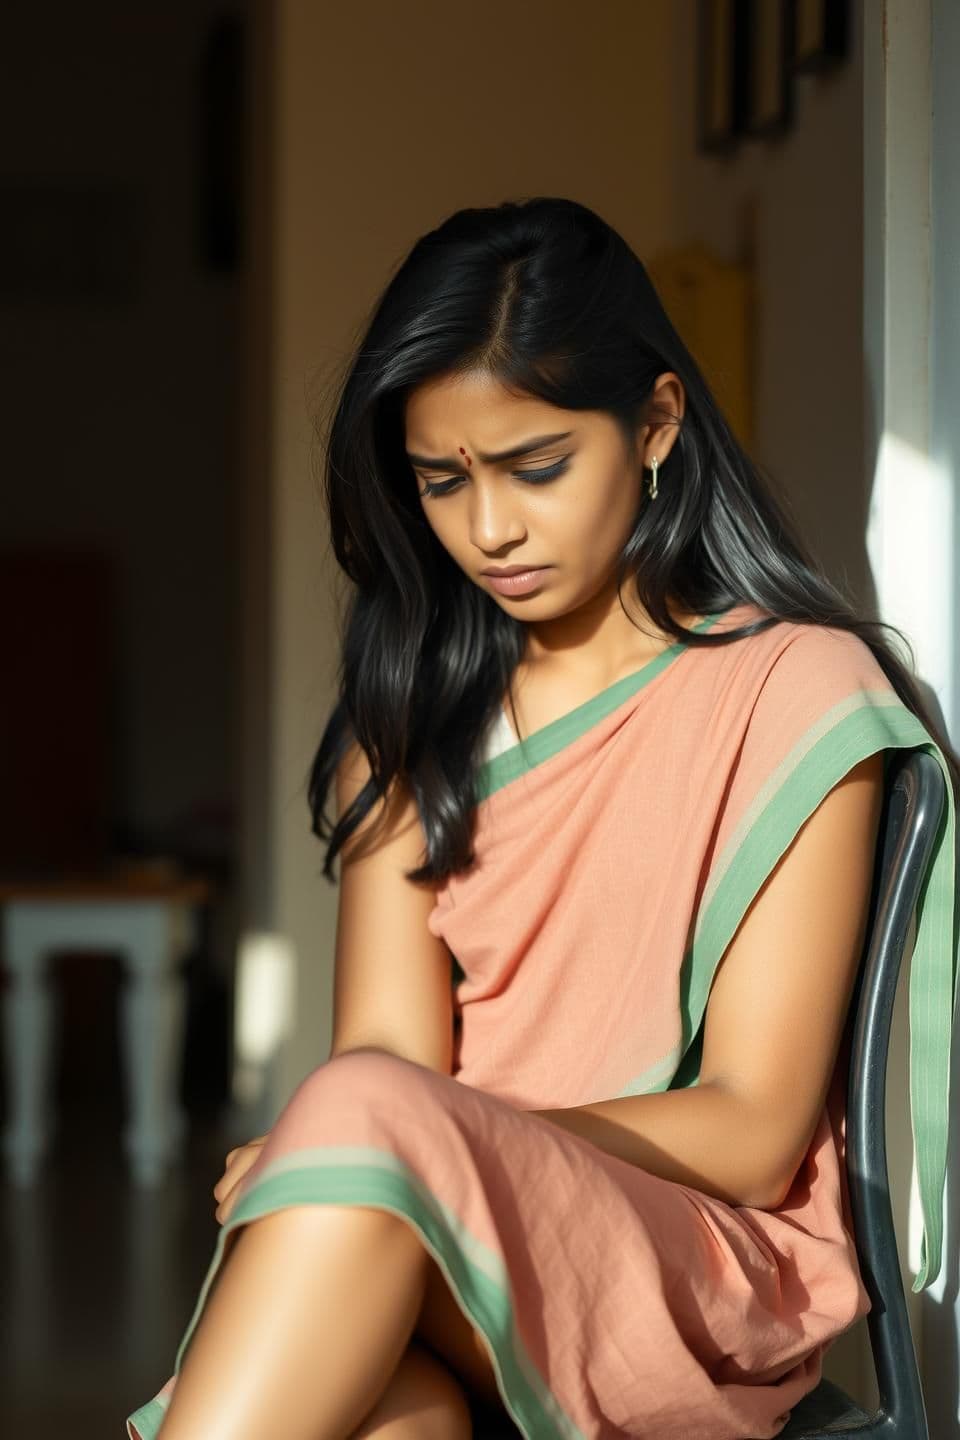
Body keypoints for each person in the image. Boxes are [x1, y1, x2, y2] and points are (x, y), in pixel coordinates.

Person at [126, 197, 959, 1440]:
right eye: (440, 482)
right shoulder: (411, 718)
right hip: (435, 1243)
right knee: (390, 1414)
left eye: (537, 467)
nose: (491, 529)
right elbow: (391, 1059)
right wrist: (389, 1138)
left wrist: (397, 1143)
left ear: (657, 423)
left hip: (693, 1263)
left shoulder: (798, 690)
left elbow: (752, 1121)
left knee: (356, 1132)